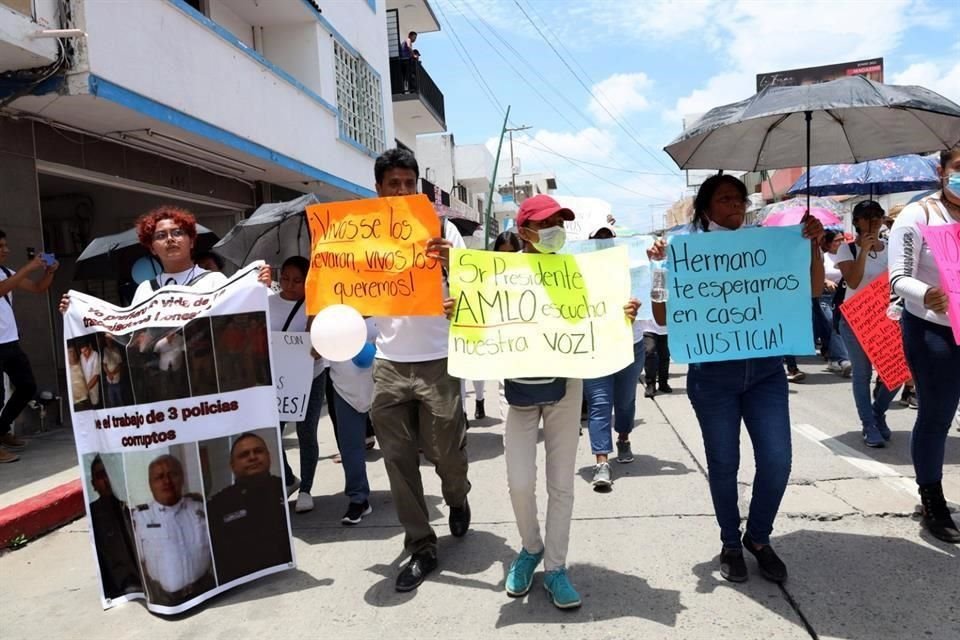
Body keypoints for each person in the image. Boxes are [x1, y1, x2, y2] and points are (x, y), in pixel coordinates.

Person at [500, 195, 641, 609]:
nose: (554, 231)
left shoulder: (579, 271)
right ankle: (530, 549)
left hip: (566, 388)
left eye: (559, 223)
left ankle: (556, 568)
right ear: (524, 231)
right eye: (545, 224)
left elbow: (598, 319)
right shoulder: (499, 276)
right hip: (521, 392)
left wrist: (622, 316)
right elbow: (480, 327)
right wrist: (459, 312)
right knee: (520, 482)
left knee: (561, 484)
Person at [680, 174, 823, 584]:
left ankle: (758, 538)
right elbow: (663, 317)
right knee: (724, 464)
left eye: (740, 198)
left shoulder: (768, 245)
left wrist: (811, 245)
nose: (736, 205)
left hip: (765, 372)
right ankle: (730, 542)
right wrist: (660, 270)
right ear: (706, 208)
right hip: (713, 378)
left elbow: (813, 289)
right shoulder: (688, 251)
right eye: (725, 199)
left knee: (777, 460)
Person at [368, 148, 471, 592]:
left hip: (439, 360)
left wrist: (453, 266)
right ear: (379, 189)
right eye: (394, 184)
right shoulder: (363, 236)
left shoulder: (444, 230)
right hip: (388, 364)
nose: (403, 190)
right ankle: (421, 545)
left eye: (410, 183)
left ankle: (457, 495)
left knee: (446, 448)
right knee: (398, 461)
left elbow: (477, 287)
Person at [889, 146, 960, 543]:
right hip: (933, 330)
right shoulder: (920, 214)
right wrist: (926, 293)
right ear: (942, 171)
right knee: (937, 415)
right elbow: (898, 277)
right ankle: (932, 500)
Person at [582, 223, 644, 490]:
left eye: (609, 238)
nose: (604, 243)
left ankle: (624, 437)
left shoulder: (635, 268)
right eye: (599, 239)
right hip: (595, 347)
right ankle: (601, 461)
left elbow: (654, 296)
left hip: (631, 346)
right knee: (599, 405)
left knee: (625, 401)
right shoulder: (578, 271)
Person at [835, 200, 901, 448]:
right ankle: (869, 425)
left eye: (878, 215)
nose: (873, 219)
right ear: (857, 221)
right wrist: (863, 250)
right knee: (862, 375)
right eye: (866, 216)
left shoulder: (892, 248)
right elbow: (852, 281)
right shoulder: (847, 249)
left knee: (895, 373)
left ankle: (877, 411)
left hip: (885, 318)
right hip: (855, 319)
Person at [269, 256, 328, 512]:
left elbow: (324, 343)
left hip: (311, 378)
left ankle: (306, 489)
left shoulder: (316, 306)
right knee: (272, 435)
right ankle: (290, 478)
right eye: (284, 279)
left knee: (306, 433)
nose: (289, 285)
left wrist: (314, 330)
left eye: (297, 281)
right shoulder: (267, 304)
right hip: (276, 381)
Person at [0, 229, 58, 463]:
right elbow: (2, 290)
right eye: (1, 246)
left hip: (10, 341)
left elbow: (37, 288)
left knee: (26, 387)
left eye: (5, 245)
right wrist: (29, 266)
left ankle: (2, 430)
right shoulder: (8, 276)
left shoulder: (6, 272)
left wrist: (49, 272)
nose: (6, 250)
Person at [207, 433, 293, 584]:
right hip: (239, 586)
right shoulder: (217, 505)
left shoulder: (282, 490)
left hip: (283, 577)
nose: (252, 457)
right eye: (244, 455)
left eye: (258, 451)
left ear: (269, 457)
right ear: (232, 465)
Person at [130, 454, 214, 605]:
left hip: (207, 589)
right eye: (159, 477)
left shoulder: (199, 509)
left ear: (182, 477)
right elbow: (139, 563)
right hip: (164, 599)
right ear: (151, 484)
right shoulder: (141, 518)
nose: (166, 481)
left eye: (172, 474)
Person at [328, 319, 378, 525]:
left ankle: (408, 496)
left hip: (384, 381)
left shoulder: (386, 297)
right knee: (350, 445)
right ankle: (358, 498)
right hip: (344, 385)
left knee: (396, 445)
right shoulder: (330, 308)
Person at [88, 455, 143, 599]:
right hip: (121, 588)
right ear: (93, 484)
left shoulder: (133, 506)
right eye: (101, 476)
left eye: (109, 474)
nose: (106, 480)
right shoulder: (93, 515)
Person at [640, 317, 671, 398]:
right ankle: (650, 384)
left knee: (664, 355)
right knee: (650, 351)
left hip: (664, 327)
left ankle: (663, 383)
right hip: (647, 327)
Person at [101, 336, 128, 408]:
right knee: (112, 403)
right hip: (109, 382)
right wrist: (108, 374)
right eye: (107, 340)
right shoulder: (105, 350)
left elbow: (120, 365)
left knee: (121, 401)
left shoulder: (116, 350)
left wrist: (112, 374)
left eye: (109, 340)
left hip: (117, 381)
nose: (108, 341)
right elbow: (104, 364)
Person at [79, 341, 102, 409]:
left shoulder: (95, 355)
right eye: (82, 352)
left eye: (85, 351)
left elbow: (96, 376)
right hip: (84, 390)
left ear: (90, 347)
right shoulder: (81, 356)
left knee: (95, 406)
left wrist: (86, 389)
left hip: (93, 388)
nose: (84, 354)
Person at [68, 345, 90, 411]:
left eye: (74, 351)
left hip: (86, 399)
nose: (73, 354)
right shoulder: (67, 370)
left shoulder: (82, 364)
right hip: (76, 402)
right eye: (70, 352)